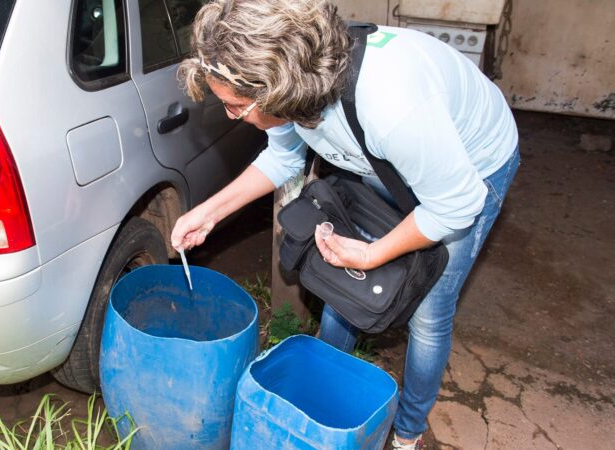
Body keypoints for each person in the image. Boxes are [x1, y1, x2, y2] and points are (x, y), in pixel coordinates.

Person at [170, 0, 519, 448]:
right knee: (345, 283)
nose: (232, 118)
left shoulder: (391, 105)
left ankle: (408, 433)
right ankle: (318, 394)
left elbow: (454, 206)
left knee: (429, 314)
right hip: (385, 158)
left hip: (471, 169)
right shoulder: (293, 83)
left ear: (277, 91)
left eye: (236, 107)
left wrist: (374, 253)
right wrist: (209, 212)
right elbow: (283, 156)